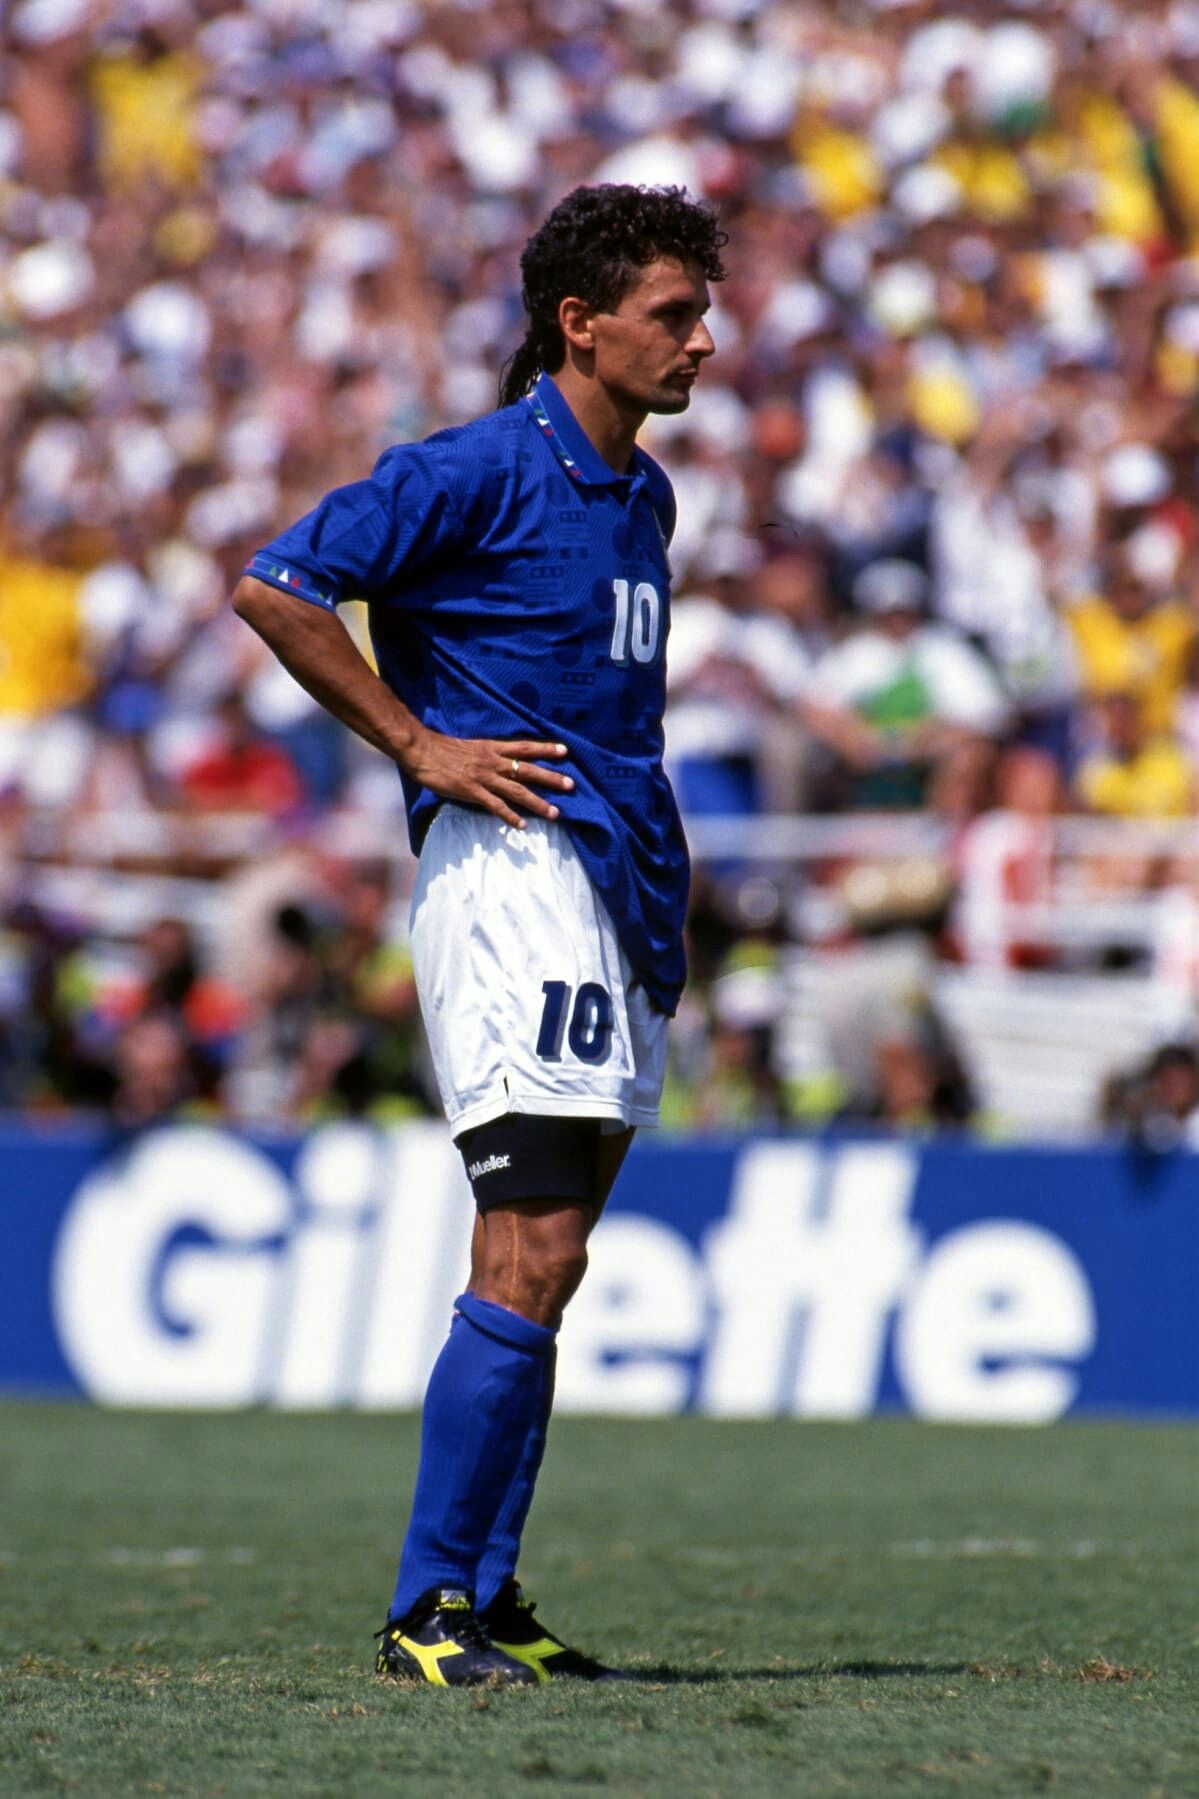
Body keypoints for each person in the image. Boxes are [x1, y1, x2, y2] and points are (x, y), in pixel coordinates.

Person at [232, 184, 727, 1687]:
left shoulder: (643, 495)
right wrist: (416, 743)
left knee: (552, 1265)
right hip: (515, 880)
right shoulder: (472, 470)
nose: (704, 342)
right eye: (674, 315)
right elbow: (280, 585)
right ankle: (424, 1607)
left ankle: (490, 1592)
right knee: (537, 1240)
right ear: (579, 325)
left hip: (628, 883)